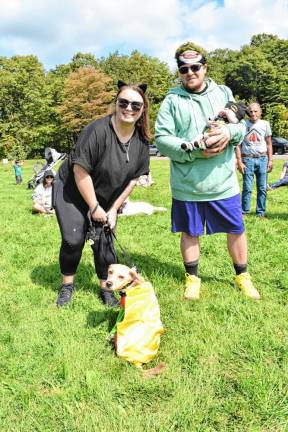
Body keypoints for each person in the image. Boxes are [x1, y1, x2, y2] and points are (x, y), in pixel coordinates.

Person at [155, 42, 260, 301]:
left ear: (205, 68)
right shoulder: (171, 100)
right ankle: (192, 279)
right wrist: (192, 149)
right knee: (190, 232)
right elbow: (161, 138)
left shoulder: (223, 91)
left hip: (222, 182)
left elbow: (240, 126)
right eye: (184, 68)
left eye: (195, 67)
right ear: (178, 71)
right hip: (187, 184)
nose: (190, 72)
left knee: (236, 228)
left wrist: (228, 132)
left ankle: (242, 276)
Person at [53, 80, 150, 307]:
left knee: (105, 243)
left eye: (136, 105)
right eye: (123, 102)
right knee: (73, 239)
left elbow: (134, 177)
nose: (129, 108)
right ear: (116, 104)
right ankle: (67, 286)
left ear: (143, 109)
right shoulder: (96, 131)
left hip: (106, 196)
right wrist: (94, 207)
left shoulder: (142, 141)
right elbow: (79, 170)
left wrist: (114, 209)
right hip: (72, 190)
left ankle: (106, 288)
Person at [236, 102, 273, 217]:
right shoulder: (243, 124)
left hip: (263, 159)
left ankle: (261, 212)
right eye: (251, 111)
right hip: (248, 160)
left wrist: (270, 160)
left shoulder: (265, 124)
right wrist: (239, 161)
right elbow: (238, 145)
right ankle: (244, 212)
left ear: (260, 112)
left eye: (256, 111)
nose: (253, 113)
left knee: (262, 188)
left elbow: (269, 143)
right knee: (247, 188)